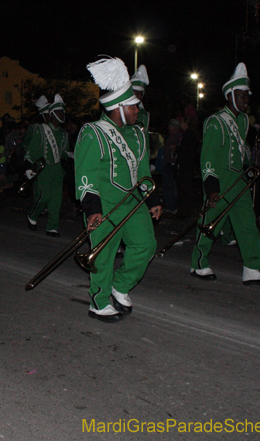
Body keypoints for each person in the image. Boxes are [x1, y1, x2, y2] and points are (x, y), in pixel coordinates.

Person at [76, 56, 161, 322]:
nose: (137, 110)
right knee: (103, 255)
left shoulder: (138, 134)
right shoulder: (93, 132)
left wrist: (152, 199)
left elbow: (144, 171)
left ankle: (120, 285)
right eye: (133, 106)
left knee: (146, 245)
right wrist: (92, 208)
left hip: (134, 203)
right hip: (104, 204)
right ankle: (98, 302)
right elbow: (86, 174)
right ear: (119, 107)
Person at [190, 63, 260, 285]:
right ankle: (198, 263)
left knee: (247, 224)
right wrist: (211, 187)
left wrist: (249, 167)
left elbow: (241, 149)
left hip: (239, 180)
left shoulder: (244, 120)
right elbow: (207, 157)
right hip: (219, 179)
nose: (246, 99)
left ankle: (252, 268)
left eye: (247, 95)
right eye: (241, 95)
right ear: (229, 96)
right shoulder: (216, 121)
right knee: (210, 223)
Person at [24, 93, 71, 236]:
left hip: (58, 170)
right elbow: (31, 150)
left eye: (62, 111)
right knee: (44, 196)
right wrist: (29, 167)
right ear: (51, 114)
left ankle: (52, 226)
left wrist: (71, 155)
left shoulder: (63, 134)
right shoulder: (40, 129)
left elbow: (64, 153)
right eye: (58, 111)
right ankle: (32, 215)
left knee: (56, 200)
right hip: (44, 168)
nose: (62, 114)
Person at [162, 118, 182, 213]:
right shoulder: (170, 136)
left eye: (170, 126)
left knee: (173, 186)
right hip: (167, 163)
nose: (168, 128)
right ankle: (169, 206)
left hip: (173, 165)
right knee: (167, 186)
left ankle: (174, 206)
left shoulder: (179, 137)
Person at [129, 65, 151, 133]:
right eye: (136, 92)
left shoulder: (144, 114)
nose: (139, 95)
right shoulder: (123, 111)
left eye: (141, 93)